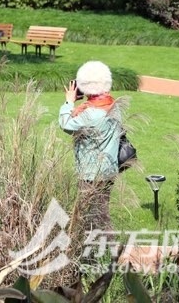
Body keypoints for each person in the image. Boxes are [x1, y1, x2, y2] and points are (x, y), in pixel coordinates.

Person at [59, 60, 124, 233]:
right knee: (102, 211)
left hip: (90, 172)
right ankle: (106, 252)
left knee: (90, 215)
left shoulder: (90, 114)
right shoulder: (114, 107)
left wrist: (68, 102)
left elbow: (66, 124)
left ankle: (98, 252)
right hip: (109, 170)